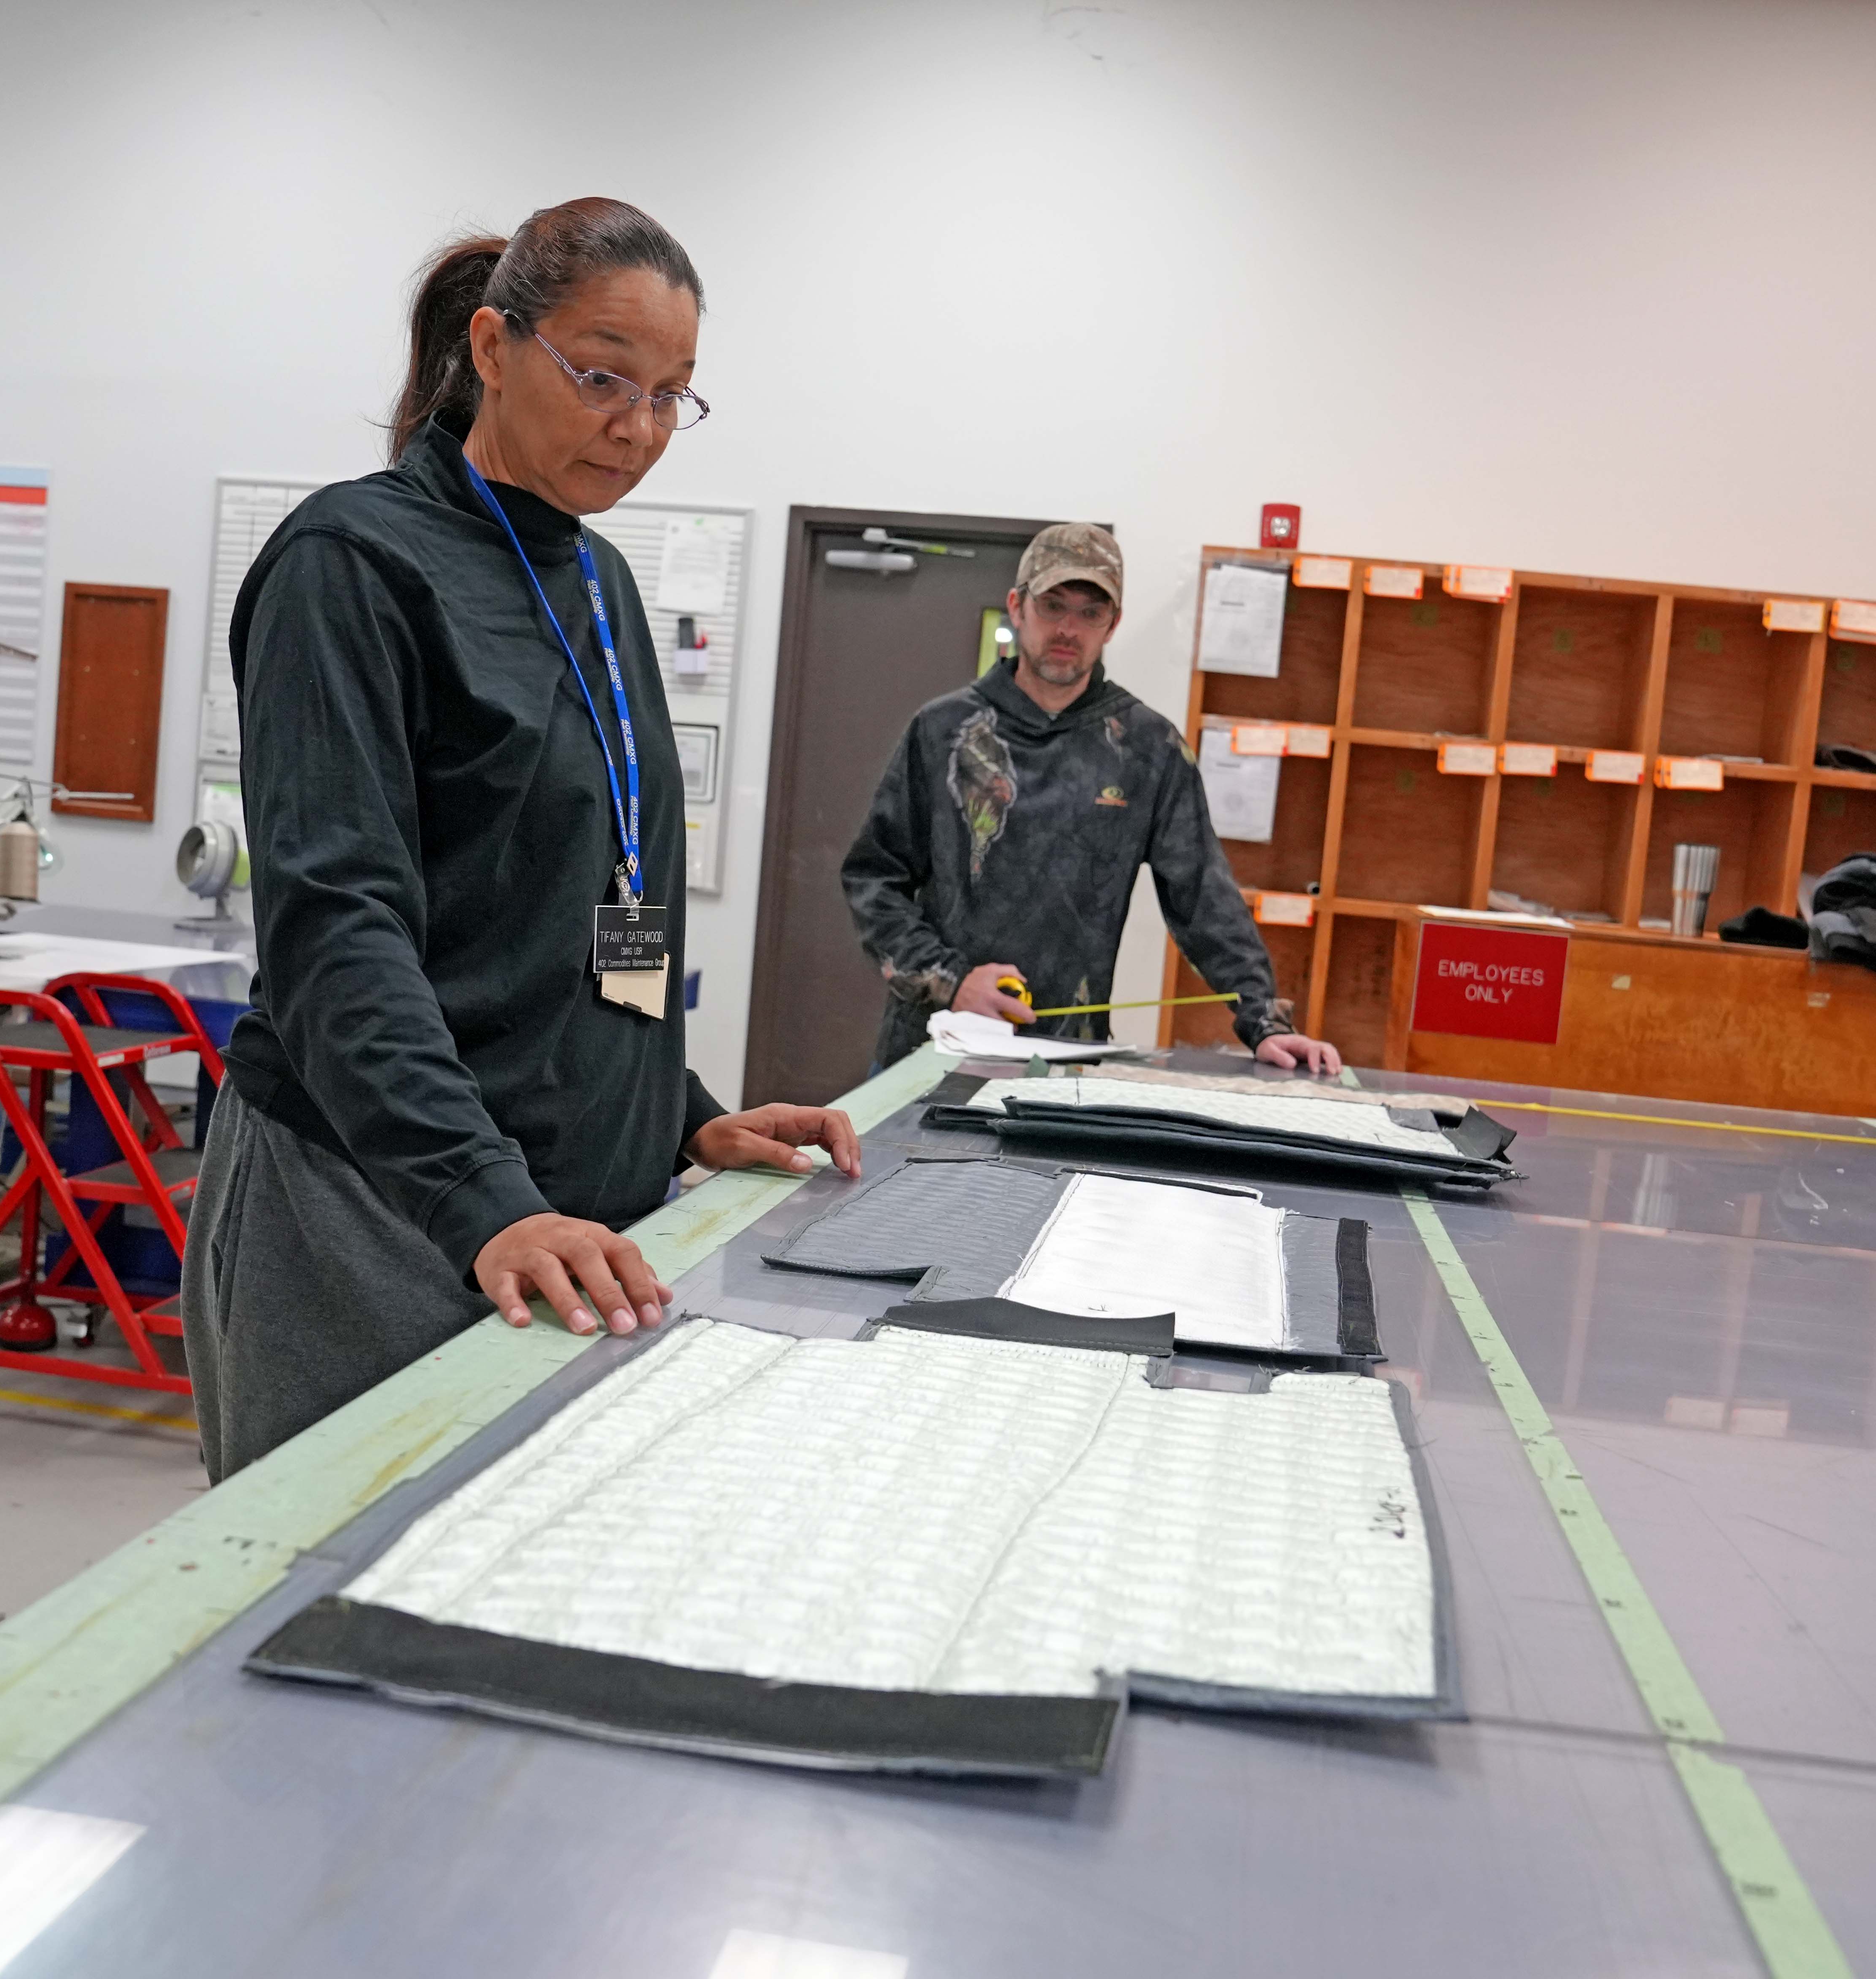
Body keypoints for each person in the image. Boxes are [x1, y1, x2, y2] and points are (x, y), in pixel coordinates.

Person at [183, 199, 859, 1482]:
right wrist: (483, 1198)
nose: (640, 427)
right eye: (604, 377)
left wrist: (678, 1119)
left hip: (570, 1215)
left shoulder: (600, 587)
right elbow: (340, 931)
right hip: (384, 1204)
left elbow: (615, 900)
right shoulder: (352, 563)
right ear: (493, 348)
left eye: (674, 396)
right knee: (333, 1603)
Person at [841, 523, 1345, 1076]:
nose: (1067, 629)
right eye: (1053, 605)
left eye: (1090, 613)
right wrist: (951, 979)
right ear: (1017, 606)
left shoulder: (1148, 748)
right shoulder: (944, 731)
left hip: (1065, 1061)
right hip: (932, 1046)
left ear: (1113, 625)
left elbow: (1204, 896)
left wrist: (1265, 1021)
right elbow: (874, 880)